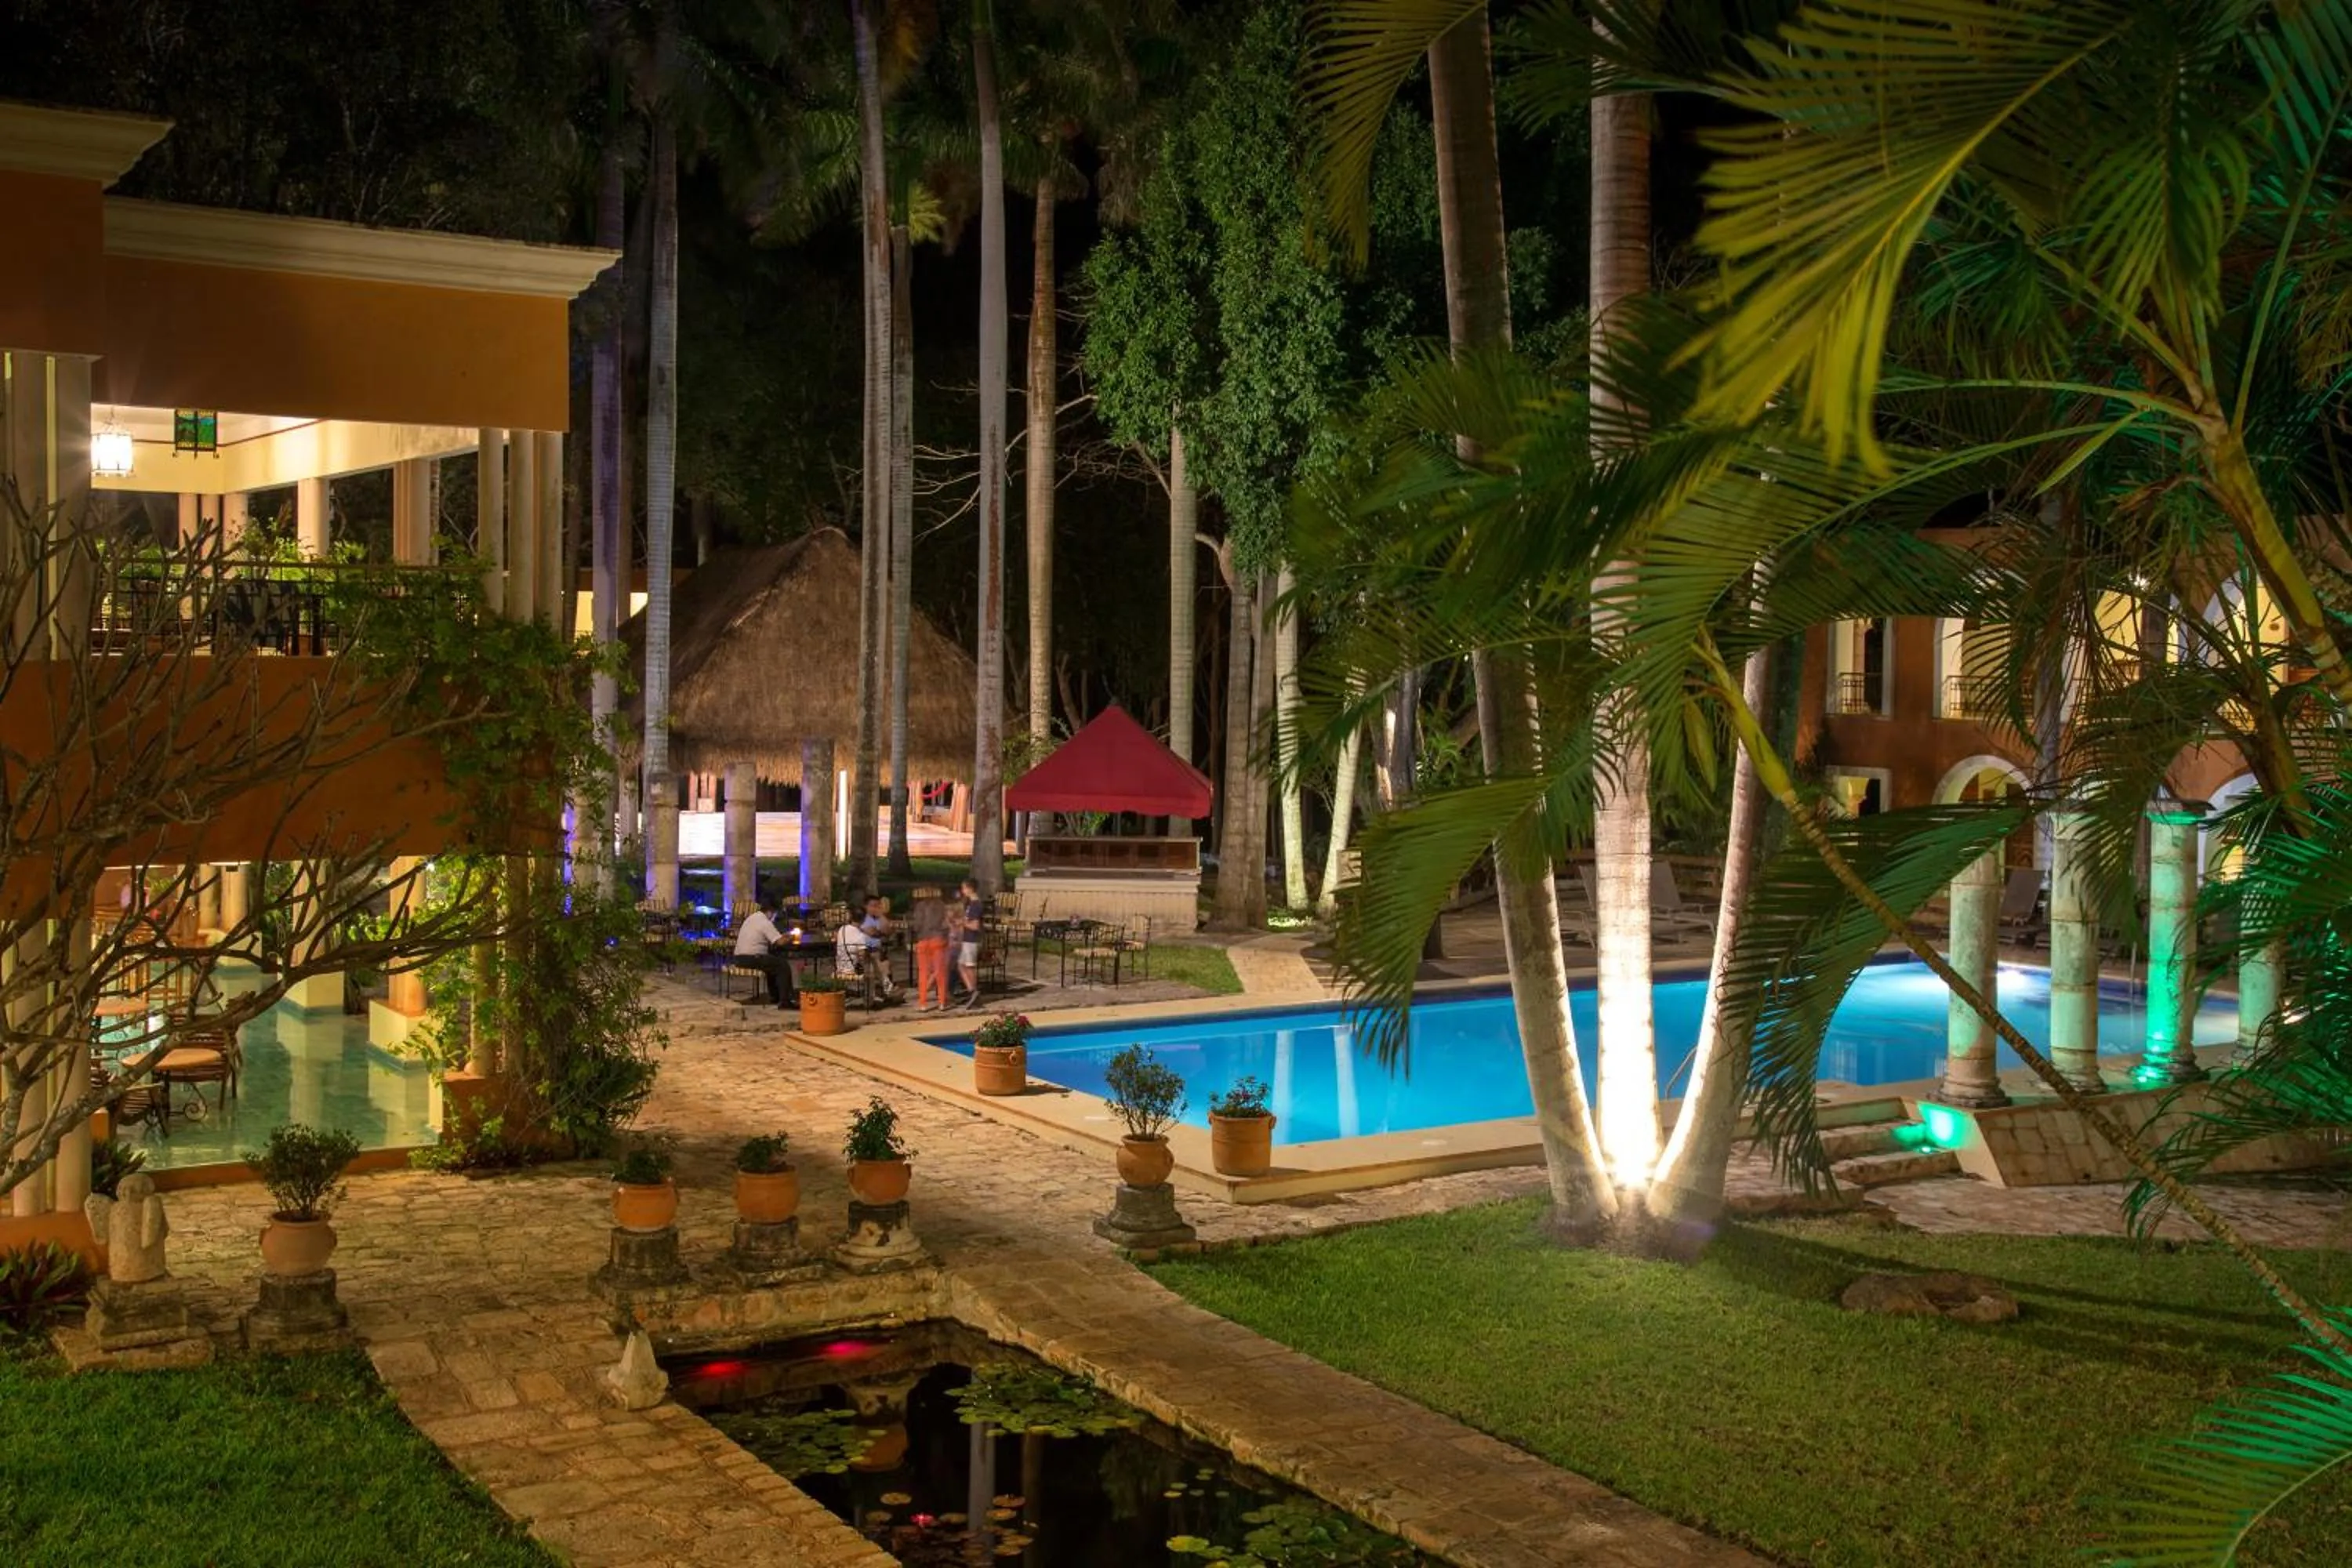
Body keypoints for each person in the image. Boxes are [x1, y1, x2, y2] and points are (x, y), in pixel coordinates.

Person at [734, 898, 797, 1009]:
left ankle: (775, 996)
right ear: (771, 912)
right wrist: (793, 936)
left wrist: (785, 935)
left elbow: (773, 938)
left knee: (772, 963)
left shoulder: (752, 918)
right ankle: (785, 1001)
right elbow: (780, 942)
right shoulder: (765, 922)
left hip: (739, 957)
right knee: (783, 966)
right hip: (752, 958)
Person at [909, 887, 950, 1012]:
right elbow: (945, 924)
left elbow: (917, 926)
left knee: (923, 973)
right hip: (938, 940)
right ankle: (942, 1002)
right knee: (940, 973)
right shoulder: (942, 906)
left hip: (923, 941)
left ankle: (923, 1003)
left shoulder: (919, 907)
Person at [953, 878, 985, 1010]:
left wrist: (962, 923)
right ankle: (971, 990)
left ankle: (974, 991)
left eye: (964, 888)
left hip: (971, 940)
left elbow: (975, 925)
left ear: (970, 888)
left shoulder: (976, 905)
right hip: (966, 939)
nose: (963, 891)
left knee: (969, 966)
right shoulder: (970, 904)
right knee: (961, 965)